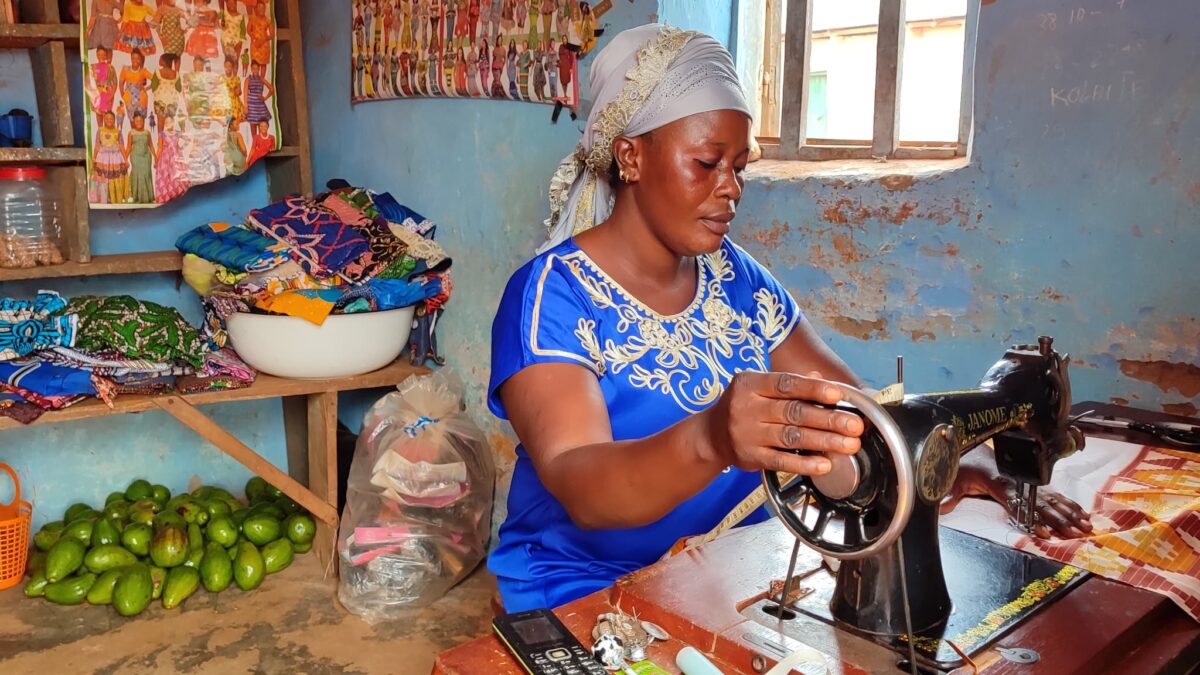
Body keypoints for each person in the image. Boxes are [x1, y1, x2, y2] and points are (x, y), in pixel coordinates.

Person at [486, 24, 1093, 614]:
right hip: (586, 588)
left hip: (730, 571)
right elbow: (580, 484)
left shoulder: (737, 278)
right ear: (631, 157)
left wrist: (956, 461)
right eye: (707, 163)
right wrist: (711, 437)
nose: (732, 188)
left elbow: (854, 409)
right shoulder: (550, 298)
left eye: (741, 167)